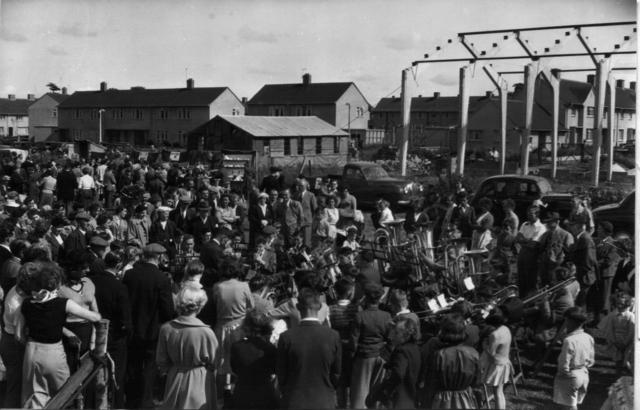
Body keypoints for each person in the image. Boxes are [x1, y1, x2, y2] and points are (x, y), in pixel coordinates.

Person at [20, 261, 102, 408]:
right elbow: (95, 317)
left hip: (30, 351)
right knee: (65, 394)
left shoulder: (26, 303)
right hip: (52, 352)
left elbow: (19, 335)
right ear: (57, 284)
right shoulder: (64, 303)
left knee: (34, 398)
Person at [122, 243, 175, 408]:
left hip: (131, 329)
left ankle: (131, 400)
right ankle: (145, 402)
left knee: (132, 366)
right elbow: (167, 310)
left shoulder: (130, 275)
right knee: (149, 369)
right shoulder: (162, 279)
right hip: (152, 331)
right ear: (158, 257)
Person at [276, 288, 342, 410]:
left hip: (294, 399)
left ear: (298, 306)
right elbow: (336, 372)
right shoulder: (333, 336)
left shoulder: (286, 337)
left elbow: (281, 373)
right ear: (320, 306)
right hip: (324, 399)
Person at [156, 286, 218, 410]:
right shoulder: (206, 332)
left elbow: (161, 360)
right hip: (199, 379)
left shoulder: (166, 328)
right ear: (200, 306)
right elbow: (214, 362)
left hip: (174, 376)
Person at [91, 250, 131, 408]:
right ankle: (117, 404)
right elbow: (125, 317)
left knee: (95, 374)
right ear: (119, 265)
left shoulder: (92, 281)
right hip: (115, 336)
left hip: (95, 334)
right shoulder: (119, 287)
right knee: (117, 375)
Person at [421, 315, 480, 409]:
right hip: (465, 398)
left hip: (443, 400)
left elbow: (431, 383)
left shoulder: (439, 355)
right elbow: (476, 381)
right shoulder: (473, 353)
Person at [350, 281, 391, 409]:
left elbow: (354, 341)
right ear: (379, 298)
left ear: (366, 297)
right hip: (381, 355)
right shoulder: (386, 316)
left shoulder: (359, 316)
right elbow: (389, 337)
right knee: (377, 390)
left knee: (361, 391)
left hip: (364, 356)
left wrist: (352, 356)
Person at [366, 317, 420, 409]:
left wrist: (385, 391)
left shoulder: (401, 351)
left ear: (406, 335)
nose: (391, 336)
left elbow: (398, 374)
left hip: (398, 398)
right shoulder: (415, 349)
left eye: (396, 333)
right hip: (410, 397)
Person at [230, 309, 279, 410]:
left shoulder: (237, 347)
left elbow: (234, 369)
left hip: (242, 393)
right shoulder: (270, 348)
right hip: (265, 393)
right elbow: (274, 369)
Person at [553, 307, 595, 410]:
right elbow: (591, 360)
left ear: (570, 321)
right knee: (572, 403)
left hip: (571, 375)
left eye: (566, 320)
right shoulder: (588, 337)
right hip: (584, 374)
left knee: (569, 406)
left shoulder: (569, 340)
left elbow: (564, 362)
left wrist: (563, 374)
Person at [329, 278, 359, 408]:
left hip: (337, 348)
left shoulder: (331, 309)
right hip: (353, 349)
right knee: (354, 380)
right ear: (350, 292)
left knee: (340, 380)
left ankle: (341, 405)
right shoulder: (357, 309)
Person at [480, 309, 513, 410]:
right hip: (505, 362)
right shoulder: (506, 328)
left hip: (498, 365)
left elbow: (491, 354)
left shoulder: (495, 335)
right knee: (500, 392)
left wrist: (484, 345)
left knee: (497, 393)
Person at [515, 205, 546, 297]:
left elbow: (533, 244)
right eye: (527, 213)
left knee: (530, 281)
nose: (528, 215)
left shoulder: (541, 228)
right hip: (522, 255)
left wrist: (524, 241)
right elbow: (518, 238)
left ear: (537, 214)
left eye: (531, 213)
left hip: (532, 257)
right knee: (521, 280)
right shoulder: (525, 224)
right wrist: (527, 240)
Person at [538, 211, 574, 287]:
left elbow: (570, 256)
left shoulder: (566, 235)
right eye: (547, 222)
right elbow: (540, 249)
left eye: (550, 222)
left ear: (557, 222)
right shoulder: (545, 235)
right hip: (544, 269)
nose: (547, 224)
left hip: (558, 271)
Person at [596, 221, 622, 314]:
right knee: (599, 298)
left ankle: (605, 319)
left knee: (605, 299)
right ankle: (598, 318)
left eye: (599, 229)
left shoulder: (613, 244)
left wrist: (594, 263)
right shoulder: (601, 242)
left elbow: (609, 260)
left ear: (605, 231)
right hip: (600, 273)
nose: (597, 230)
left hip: (607, 274)